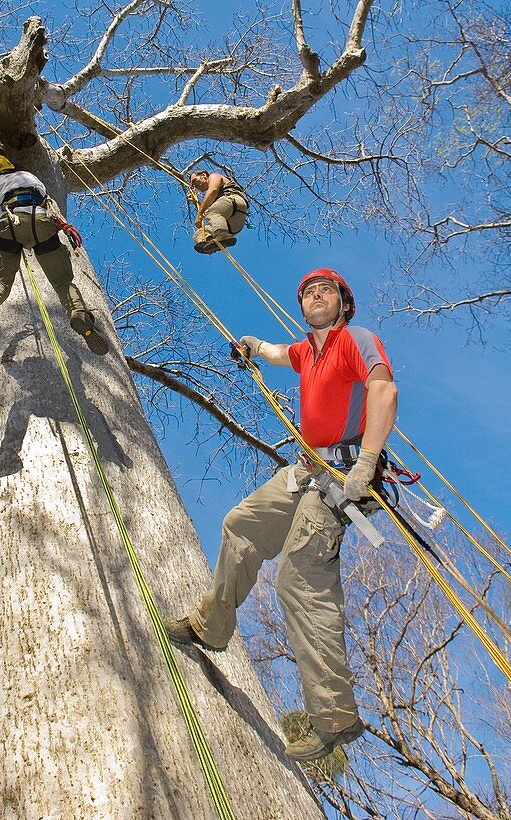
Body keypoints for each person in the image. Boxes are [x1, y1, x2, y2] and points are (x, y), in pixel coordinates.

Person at [165, 267, 397, 762]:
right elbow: (275, 352)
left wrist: (368, 462)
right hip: (306, 469)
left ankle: (335, 718)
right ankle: (213, 626)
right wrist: (250, 344)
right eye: (308, 292)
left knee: (299, 580)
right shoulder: (305, 352)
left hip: (342, 472)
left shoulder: (354, 340)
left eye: (326, 290)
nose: (316, 295)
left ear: (343, 302)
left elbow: (383, 391)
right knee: (241, 524)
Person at [0, 155, 109, 355]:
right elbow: (48, 204)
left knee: (0, 281)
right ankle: (78, 313)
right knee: (62, 282)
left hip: (9, 225)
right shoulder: (30, 177)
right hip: (42, 223)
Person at [189, 169, 249, 254]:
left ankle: (222, 235)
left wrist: (199, 213)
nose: (195, 185)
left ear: (203, 175)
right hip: (234, 225)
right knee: (199, 234)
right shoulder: (217, 202)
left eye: (194, 181)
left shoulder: (213, 176)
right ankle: (211, 242)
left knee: (211, 212)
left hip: (234, 201)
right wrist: (195, 202)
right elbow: (210, 213)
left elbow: (213, 190)